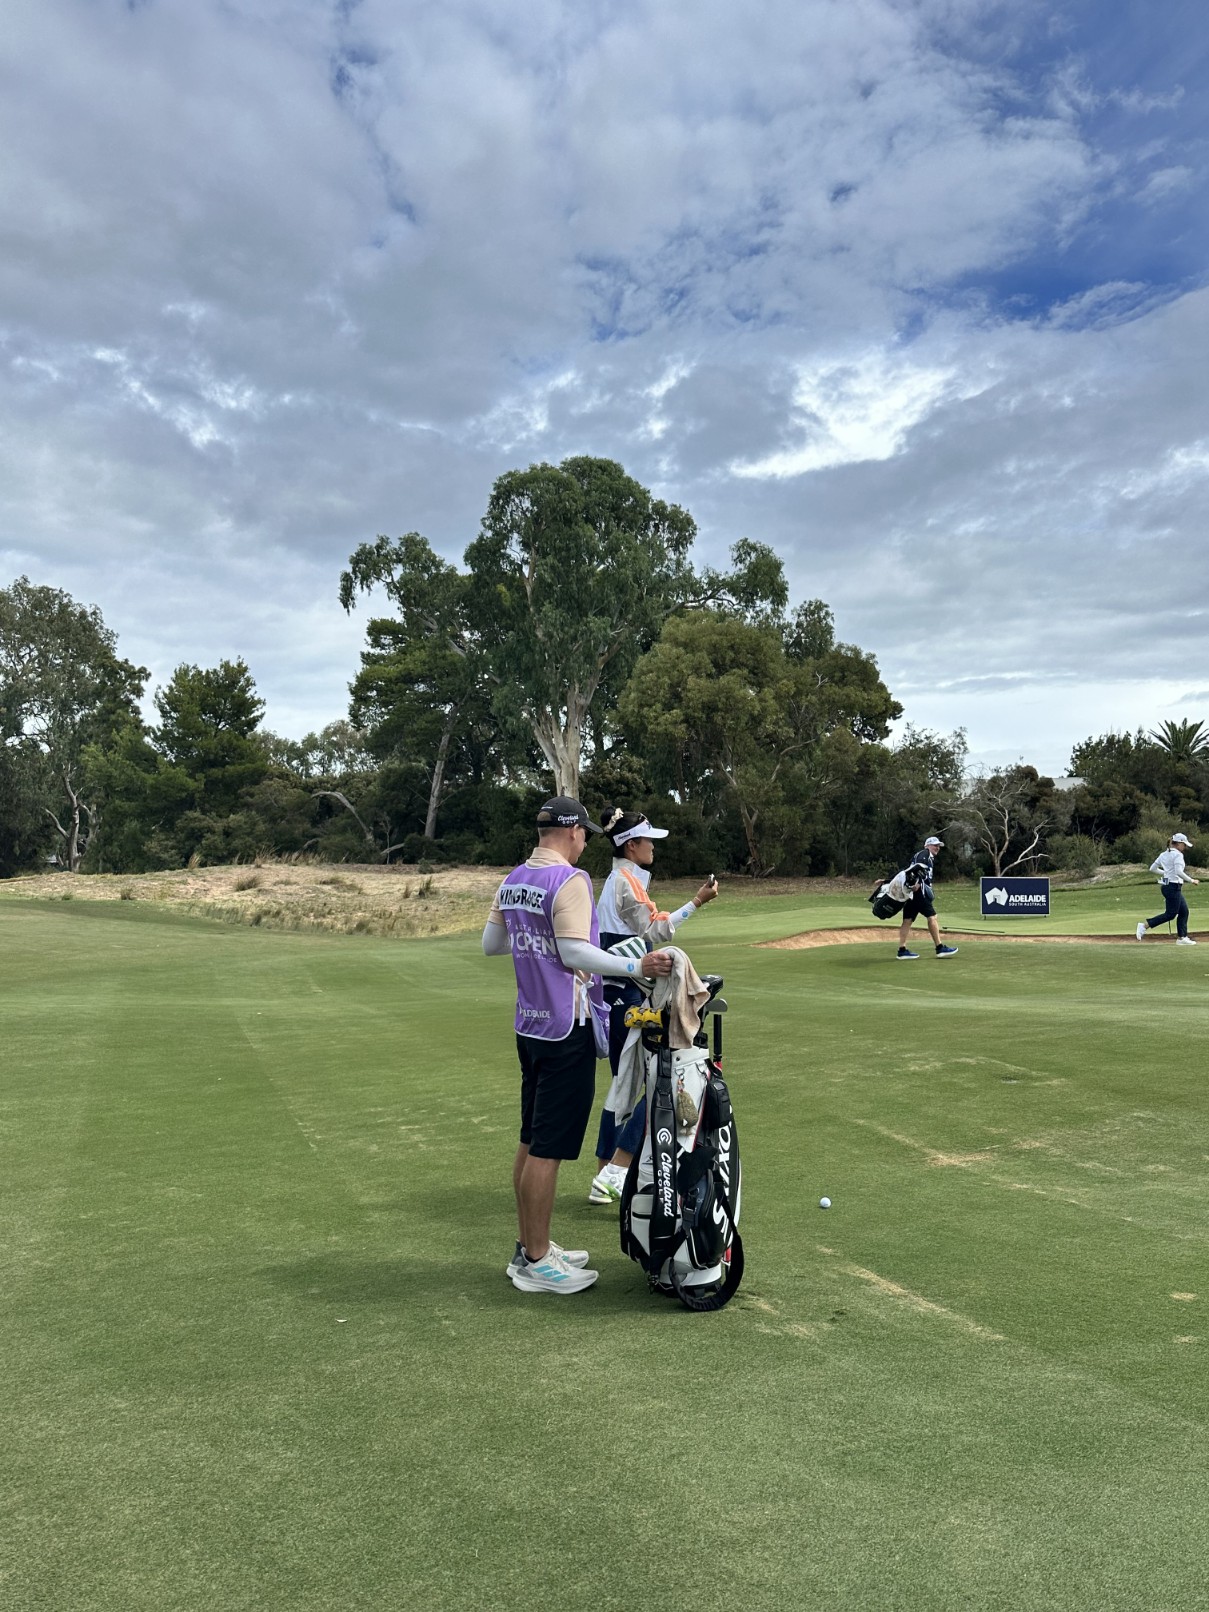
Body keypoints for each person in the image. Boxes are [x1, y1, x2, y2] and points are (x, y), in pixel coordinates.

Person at [482, 795, 674, 1295]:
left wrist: (535, 943)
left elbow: (493, 944)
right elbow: (573, 952)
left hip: (529, 1025)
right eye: (584, 832)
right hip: (567, 1026)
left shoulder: (514, 878)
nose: (586, 840)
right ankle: (537, 1261)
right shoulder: (570, 879)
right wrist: (635, 966)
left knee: (531, 1138)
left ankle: (530, 1246)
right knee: (547, 1149)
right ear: (571, 832)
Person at [588, 809, 720, 1204]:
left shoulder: (619, 880)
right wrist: (697, 901)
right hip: (627, 995)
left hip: (614, 995)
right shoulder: (625, 882)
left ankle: (604, 1176)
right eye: (648, 841)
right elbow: (656, 930)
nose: (653, 847)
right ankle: (617, 1170)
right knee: (659, 1085)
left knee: (622, 1086)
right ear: (631, 845)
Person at [896, 835, 959, 960]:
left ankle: (902, 950)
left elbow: (907, 870)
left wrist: (887, 880)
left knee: (907, 920)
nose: (937, 848)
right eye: (935, 845)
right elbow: (916, 868)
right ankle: (939, 948)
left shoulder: (926, 857)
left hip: (912, 894)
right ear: (927, 846)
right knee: (932, 917)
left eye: (938, 846)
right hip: (920, 894)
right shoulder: (924, 854)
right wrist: (916, 883)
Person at [1136, 833, 1199, 945]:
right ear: (1179, 844)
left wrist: (1166, 873)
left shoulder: (1164, 854)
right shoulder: (1178, 855)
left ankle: (1182, 938)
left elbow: (1152, 868)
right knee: (1170, 914)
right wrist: (1191, 880)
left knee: (1184, 911)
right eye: (1184, 845)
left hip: (1167, 886)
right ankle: (1144, 926)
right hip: (1173, 887)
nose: (1185, 847)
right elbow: (1179, 872)